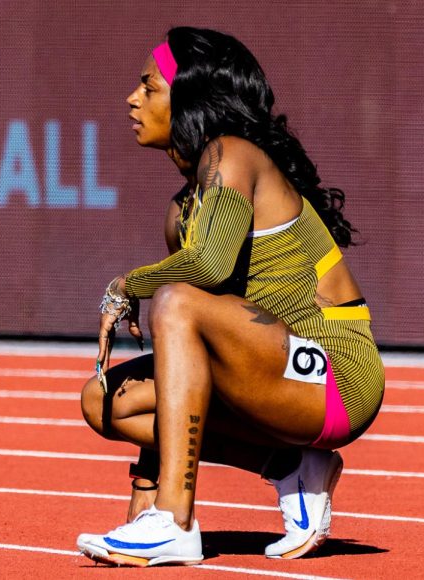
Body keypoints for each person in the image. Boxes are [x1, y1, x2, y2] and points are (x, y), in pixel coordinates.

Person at [74, 27, 385, 567]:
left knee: (175, 301)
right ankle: (285, 467)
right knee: (104, 402)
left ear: (190, 98)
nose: (132, 98)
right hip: (271, 374)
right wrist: (136, 504)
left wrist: (125, 286)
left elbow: (209, 267)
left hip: (339, 376)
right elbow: (183, 370)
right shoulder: (182, 209)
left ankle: (176, 522)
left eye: (149, 86)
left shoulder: (233, 155)